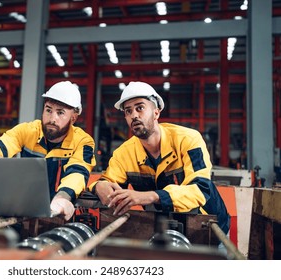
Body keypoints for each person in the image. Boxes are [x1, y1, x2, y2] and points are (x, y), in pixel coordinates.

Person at [89, 81, 230, 236]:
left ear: (156, 112)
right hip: (161, 230)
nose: (134, 115)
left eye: (140, 108)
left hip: (208, 228)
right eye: (128, 111)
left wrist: (150, 196)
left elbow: (200, 190)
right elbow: (108, 182)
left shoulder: (188, 140)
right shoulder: (123, 153)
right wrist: (98, 186)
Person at [0, 81, 96, 221]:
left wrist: (62, 198)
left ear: (73, 118)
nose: (52, 119)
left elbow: (77, 173)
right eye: (48, 110)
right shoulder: (27, 131)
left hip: (57, 212)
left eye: (60, 113)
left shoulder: (83, 141)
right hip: (23, 209)